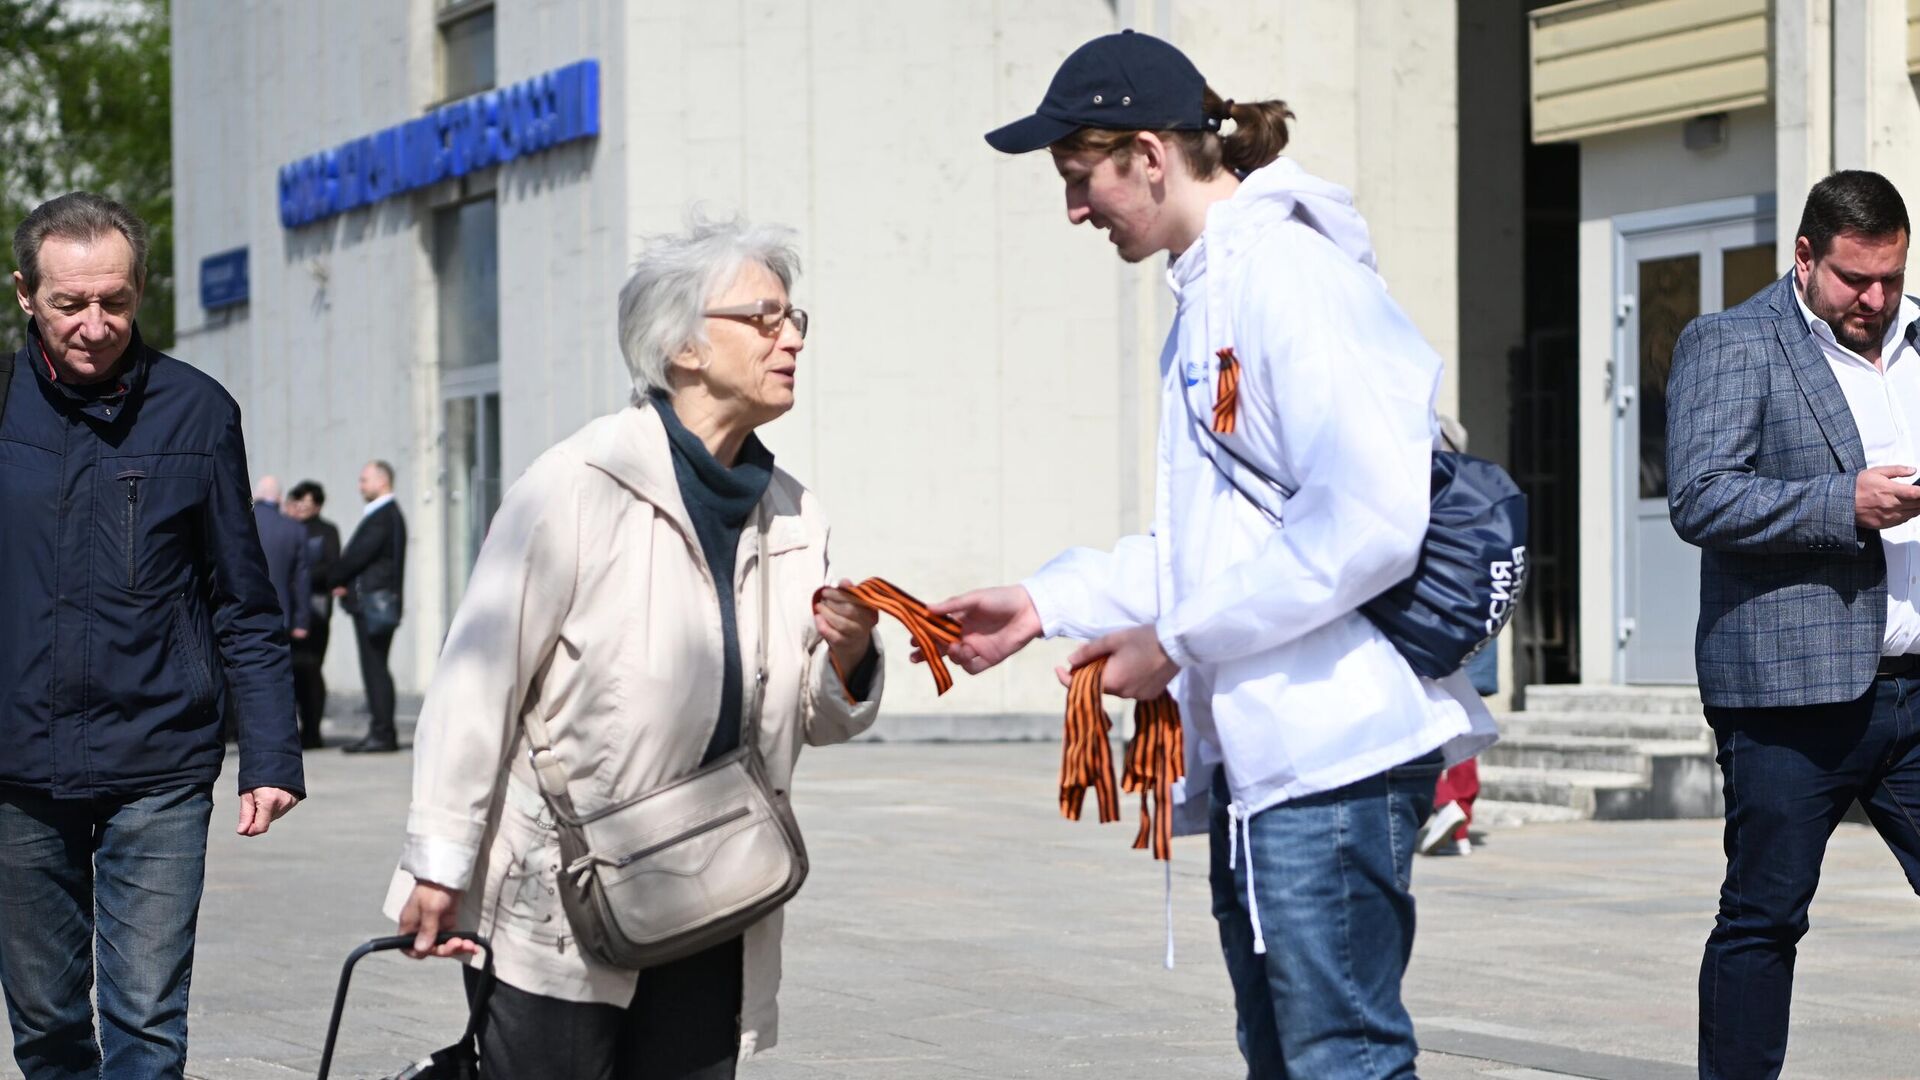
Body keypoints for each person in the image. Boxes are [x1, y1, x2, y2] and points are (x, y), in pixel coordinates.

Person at [936, 32, 1494, 1078]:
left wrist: (1177, 641)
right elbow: (1214, 546)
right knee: (1287, 1058)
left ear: (1149, 155)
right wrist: (1043, 601)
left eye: (1077, 177)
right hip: (1271, 763)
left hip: (1333, 758)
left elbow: (1369, 521)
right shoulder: (1210, 294)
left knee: (1342, 1061)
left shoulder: (1291, 277)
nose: (1072, 210)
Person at [386, 215, 884, 1078]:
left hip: (716, 882)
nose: (792, 337)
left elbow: (813, 715)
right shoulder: (576, 487)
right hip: (564, 888)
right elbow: (476, 685)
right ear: (684, 347)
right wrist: (439, 863)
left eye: (795, 318)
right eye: (764, 318)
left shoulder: (798, 514)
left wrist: (848, 659)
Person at [0, 191, 304, 1078]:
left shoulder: (199, 413)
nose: (96, 325)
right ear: (25, 295)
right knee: (49, 1027)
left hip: (159, 764)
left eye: (116, 302)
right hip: (17, 767)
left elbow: (242, 598)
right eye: (70, 304)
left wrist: (274, 753)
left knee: (144, 1024)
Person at [1667, 169, 1920, 1080]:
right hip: (1789, 692)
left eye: (1892, 276)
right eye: (1857, 279)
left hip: (1916, 684)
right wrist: (1842, 503)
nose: (1877, 299)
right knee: (1765, 917)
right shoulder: (1732, 343)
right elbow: (1700, 496)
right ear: (1805, 257)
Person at [327, 460, 407, 753]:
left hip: (373, 606)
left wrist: (333, 577)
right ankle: (380, 731)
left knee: (375, 669)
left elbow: (358, 556)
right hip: (374, 603)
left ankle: (383, 733)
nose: (360, 486)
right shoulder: (385, 515)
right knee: (376, 668)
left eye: (364, 480)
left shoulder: (383, 516)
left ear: (381, 481)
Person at [287, 479, 341, 749]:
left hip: (316, 610)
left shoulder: (326, 531)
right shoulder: (290, 529)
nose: (301, 506)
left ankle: (312, 729)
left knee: (312, 670)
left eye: (307, 502)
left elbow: (332, 567)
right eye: (298, 501)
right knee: (294, 672)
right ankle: (299, 727)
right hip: (294, 610)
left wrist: (301, 576)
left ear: (317, 505)